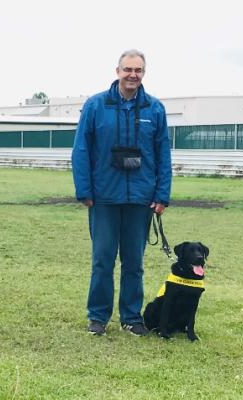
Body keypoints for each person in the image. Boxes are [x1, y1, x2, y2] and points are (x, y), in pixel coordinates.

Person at [71, 49, 172, 336]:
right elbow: (81, 150)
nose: (132, 75)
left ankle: (131, 316)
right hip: (103, 197)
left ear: (144, 73)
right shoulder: (95, 106)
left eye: (138, 70)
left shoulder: (154, 109)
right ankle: (98, 316)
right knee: (102, 260)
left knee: (134, 263)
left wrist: (162, 194)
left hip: (140, 198)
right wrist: (84, 190)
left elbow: (163, 153)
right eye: (127, 69)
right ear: (117, 71)